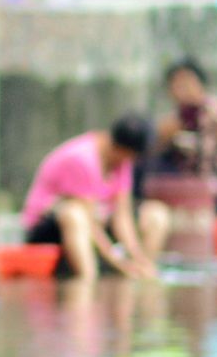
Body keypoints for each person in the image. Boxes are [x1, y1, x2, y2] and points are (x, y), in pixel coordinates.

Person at [21, 112, 169, 280]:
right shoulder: (81, 159)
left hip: (97, 222)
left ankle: (143, 274)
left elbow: (122, 215)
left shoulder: (121, 162)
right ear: (122, 148)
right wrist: (120, 264)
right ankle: (88, 279)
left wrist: (138, 260)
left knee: (156, 214)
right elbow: (89, 222)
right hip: (51, 229)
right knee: (75, 214)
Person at [150, 58, 217, 219]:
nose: (182, 90)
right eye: (176, 85)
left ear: (200, 84)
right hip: (190, 194)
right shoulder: (176, 120)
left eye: (187, 83)